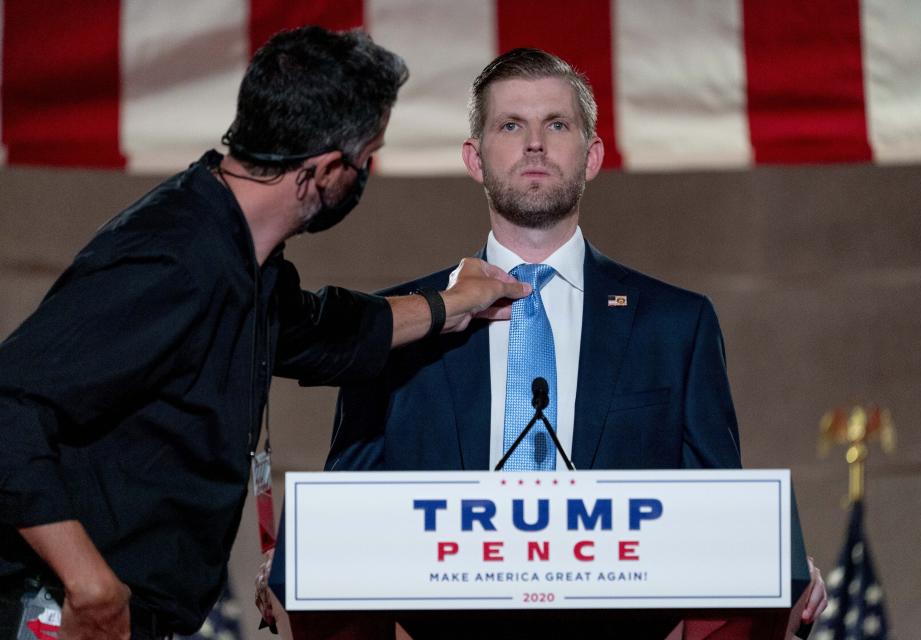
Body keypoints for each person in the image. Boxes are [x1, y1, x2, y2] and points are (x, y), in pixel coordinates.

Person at [0, 27, 528, 640]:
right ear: (326, 169)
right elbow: (8, 408)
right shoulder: (174, 259)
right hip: (60, 613)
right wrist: (89, 584)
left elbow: (320, 329)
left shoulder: (240, 255)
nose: (364, 176)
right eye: (366, 159)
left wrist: (451, 305)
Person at [314, 48, 827, 638]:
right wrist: (299, 563)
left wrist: (775, 566)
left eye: (557, 125)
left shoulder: (675, 325)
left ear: (593, 156)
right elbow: (344, 512)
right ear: (474, 159)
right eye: (511, 126)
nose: (535, 144)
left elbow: (718, 515)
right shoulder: (396, 324)